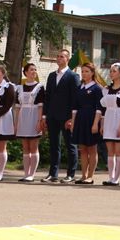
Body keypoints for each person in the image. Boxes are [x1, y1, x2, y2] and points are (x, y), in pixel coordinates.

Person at [41, 49, 80, 183]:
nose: (59, 59)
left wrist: (72, 117)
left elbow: (75, 99)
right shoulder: (52, 76)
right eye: (57, 56)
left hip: (66, 116)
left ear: (67, 59)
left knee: (70, 145)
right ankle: (53, 174)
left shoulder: (73, 76)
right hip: (52, 115)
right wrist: (45, 116)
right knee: (54, 145)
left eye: (62, 56)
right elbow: (48, 97)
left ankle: (71, 174)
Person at [70, 62, 104, 184]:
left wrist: (95, 124)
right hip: (80, 119)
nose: (84, 74)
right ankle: (83, 175)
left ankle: (90, 176)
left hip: (91, 119)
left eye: (87, 71)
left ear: (93, 73)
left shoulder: (97, 88)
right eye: (82, 71)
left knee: (92, 148)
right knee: (82, 149)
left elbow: (99, 108)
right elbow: (74, 108)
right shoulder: (79, 88)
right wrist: (73, 123)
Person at [100, 62, 120, 186]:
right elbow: (103, 109)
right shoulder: (106, 89)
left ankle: (116, 178)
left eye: (114, 71)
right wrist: (102, 124)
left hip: (119, 119)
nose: (111, 73)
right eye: (111, 71)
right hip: (108, 118)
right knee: (110, 151)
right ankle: (110, 177)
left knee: (119, 150)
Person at [13, 63, 45, 182]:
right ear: (25, 72)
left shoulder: (40, 87)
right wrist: (15, 124)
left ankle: (32, 173)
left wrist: (39, 121)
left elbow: (41, 106)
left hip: (34, 116)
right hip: (23, 118)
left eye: (35, 70)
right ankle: (26, 173)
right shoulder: (19, 88)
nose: (34, 72)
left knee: (33, 146)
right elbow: (17, 107)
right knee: (25, 146)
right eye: (31, 70)